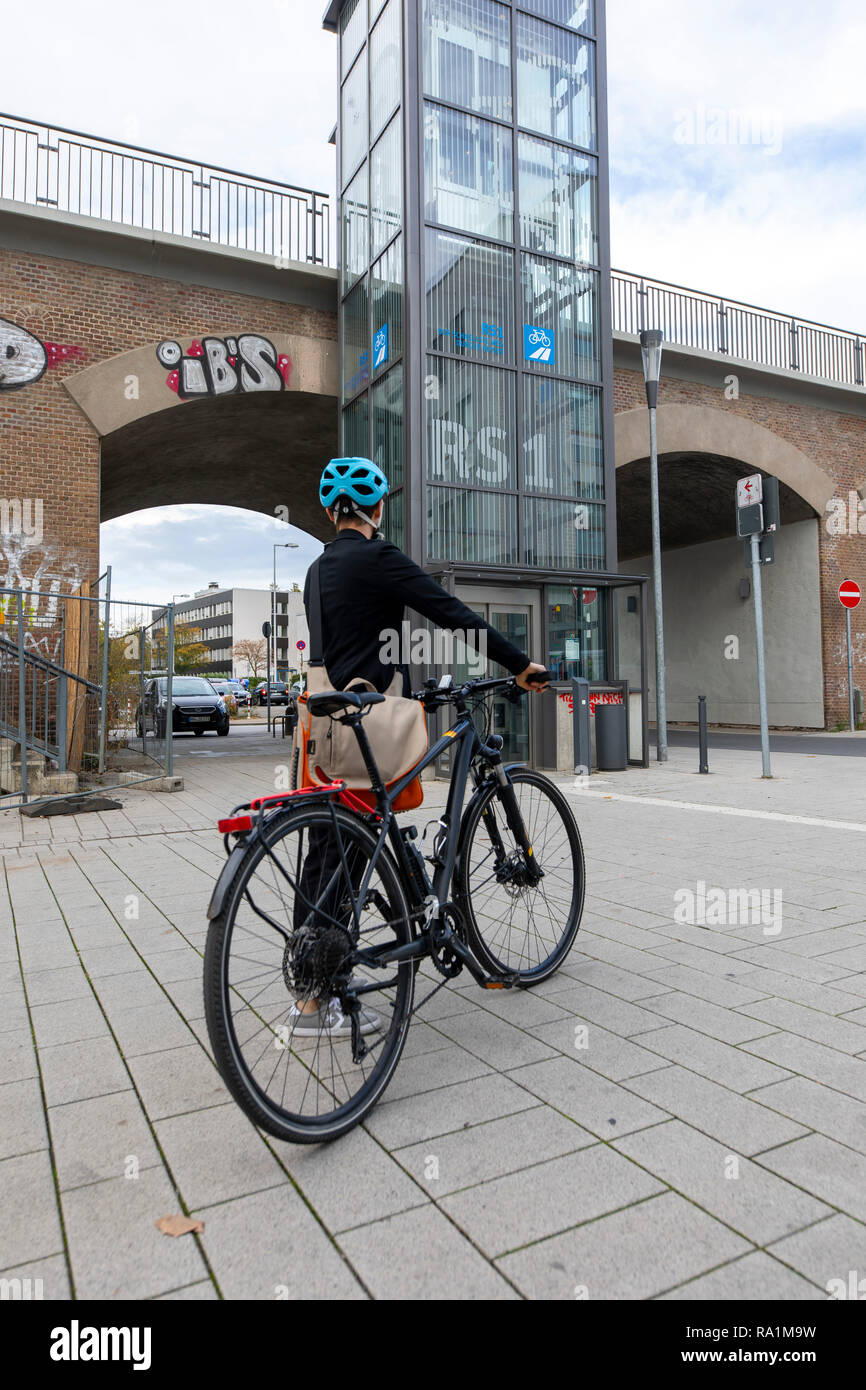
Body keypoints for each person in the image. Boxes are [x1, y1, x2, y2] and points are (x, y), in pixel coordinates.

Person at [287, 457, 549, 1038]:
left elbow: (346, 642)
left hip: (321, 727)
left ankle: (306, 990)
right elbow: (450, 613)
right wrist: (518, 663)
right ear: (376, 510)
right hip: (368, 727)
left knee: (324, 856)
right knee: (350, 860)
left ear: (332, 512)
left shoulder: (315, 570)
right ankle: (322, 998)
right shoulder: (379, 557)